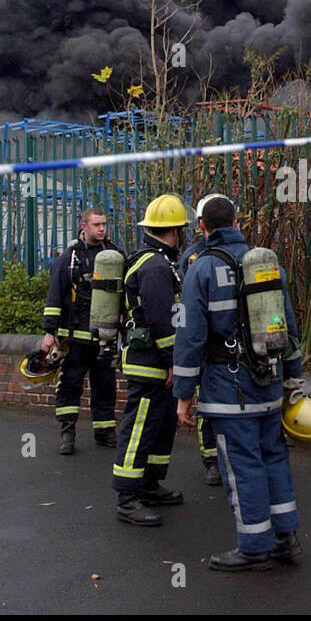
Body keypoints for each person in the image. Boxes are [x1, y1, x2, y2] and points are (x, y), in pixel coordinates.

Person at [172, 195, 304, 572]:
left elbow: (191, 336)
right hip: (269, 383)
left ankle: (253, 546)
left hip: (229, 389)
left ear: (202, 227)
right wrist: (292, 375)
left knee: (241, 465)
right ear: (235, 220)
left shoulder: (202, 268)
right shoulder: (265, 263)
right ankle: (285, 537)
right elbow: (287, 325)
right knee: (274, 457)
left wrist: (183, 395)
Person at [111, 194, 187, 527]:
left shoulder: (154, 260)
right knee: (140, 426)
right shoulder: (155, 266)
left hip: (154, 360)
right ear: (173, 232)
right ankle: (127, 497)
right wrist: (174, 361)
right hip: (150, 362)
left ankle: (150, 484)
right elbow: (162, 319)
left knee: (161, 424)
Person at [41, 206, 121, 455]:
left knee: (105, 385)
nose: (101, 229)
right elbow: (54, 296)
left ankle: (105, 431)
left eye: (104, 224)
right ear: (83, 226)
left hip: (103, 338)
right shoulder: (69, 259)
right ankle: (67, 433)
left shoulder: (114, 255)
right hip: (74, 339)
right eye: (96, 224)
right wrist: (49, 331)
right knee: (70, 385)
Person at [178, 193, 226, 487]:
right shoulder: (193, 258)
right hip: (209, 350)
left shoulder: (197, 258)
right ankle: (211, 461)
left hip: (219, 351)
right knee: (207, 408)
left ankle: (224, 459)